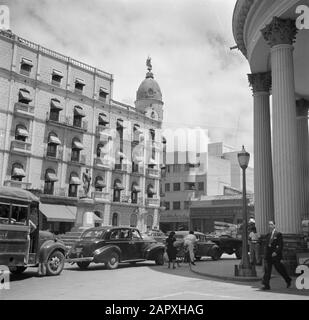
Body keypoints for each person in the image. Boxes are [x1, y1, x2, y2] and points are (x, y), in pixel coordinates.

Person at [261, 221, 292, 290]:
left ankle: (288, 280)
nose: (270, 226)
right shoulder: (268, 235)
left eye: (271, 224)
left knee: (280, 269)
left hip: (275, 255)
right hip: (268, 255)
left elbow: (281, 245)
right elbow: (266, 245)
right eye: (269, 224)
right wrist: (265, 254)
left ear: (274, 225)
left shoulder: (278, 234)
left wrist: (276, 252)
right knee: (267, 271)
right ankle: (266, 285)